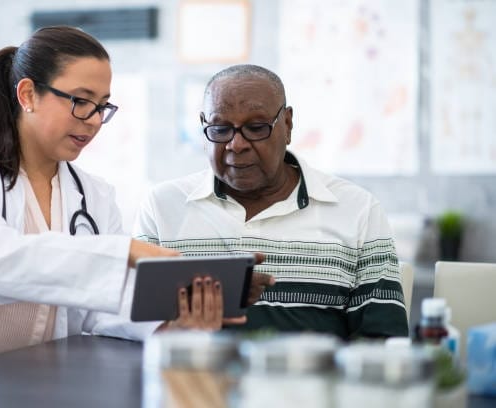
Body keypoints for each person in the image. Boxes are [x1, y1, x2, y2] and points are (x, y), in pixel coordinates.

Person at [0, 27, 267, 380]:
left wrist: (175, 317)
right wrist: (125, 252)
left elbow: (100, 309)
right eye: (81, 102)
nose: (95, 120)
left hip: (32, 386)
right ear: (28, 94)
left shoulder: (94, 194)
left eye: (102, 106)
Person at [134, 64, 409, 340]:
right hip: (192, 380)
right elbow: (132, 328)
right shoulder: (163, 207)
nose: (236, 144)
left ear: (287, 125)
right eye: (220, 129)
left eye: (256, 128)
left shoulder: (357, 210)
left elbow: (383, 341)